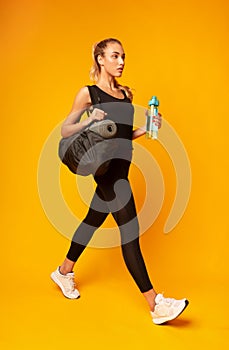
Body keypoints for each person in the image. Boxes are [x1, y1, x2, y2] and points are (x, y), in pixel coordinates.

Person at [51, 38, 189, 325]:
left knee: (92, 220)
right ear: (101, 59)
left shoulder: (125, 93)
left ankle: (64, 272)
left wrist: (146, 128)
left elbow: (122, 135)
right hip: (106, 172)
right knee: (131, 234)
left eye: (123, 56)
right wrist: (89, 122)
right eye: (115, 56)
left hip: (122, 166)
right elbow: (66, 130)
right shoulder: (88, 94)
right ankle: (155, 304)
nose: (122, 61)